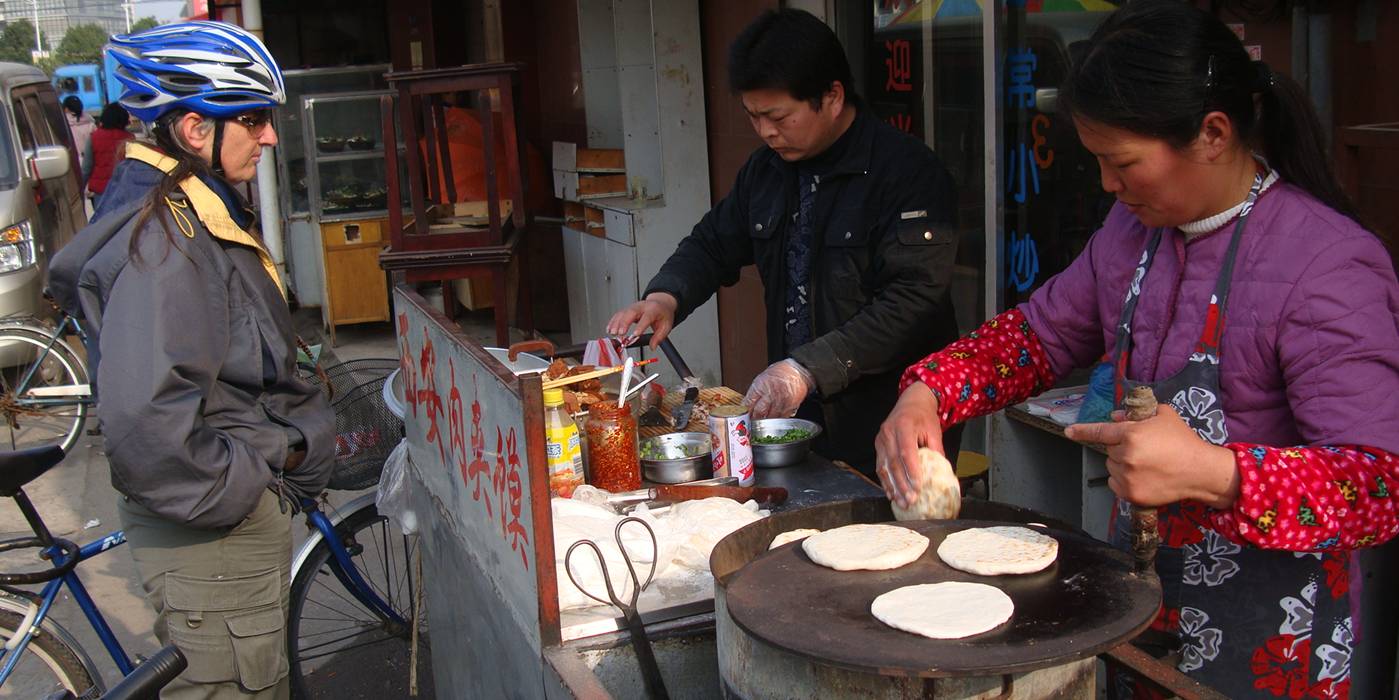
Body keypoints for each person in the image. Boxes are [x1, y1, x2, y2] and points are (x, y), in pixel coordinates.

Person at [876, 2, 1398, 697]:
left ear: (1212, 133)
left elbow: (1375, 486)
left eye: (1121, 163)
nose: (1106, 186)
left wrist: (1215, 473)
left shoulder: (1326, 266)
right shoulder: (1130, 234)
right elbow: (1038, 334)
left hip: (1272, 641)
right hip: (1140, 608)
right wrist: (930, 390)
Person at [48, 21, 334, 698]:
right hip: (216, 538)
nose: (268, 137)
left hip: (220, 534)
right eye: (254, 119)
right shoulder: (167, 239)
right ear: (195, 131)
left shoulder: (188, 211)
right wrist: (252, 483)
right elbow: (148, 421)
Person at [606, 9, 960, 470]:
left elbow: (913, 301)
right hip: (799, 415)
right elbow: (715, 241)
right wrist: (666, 296)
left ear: (831, 96)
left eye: (778, 116)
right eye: (753, 117)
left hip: (891, 413)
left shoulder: (907, 173)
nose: (766, 132)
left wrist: (807, 368)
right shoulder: (767, 170)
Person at [86, 102, 134, 210]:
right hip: (123, 189)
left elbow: (87, 167)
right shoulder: (130, 139)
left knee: (102, 223)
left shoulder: (94, 137)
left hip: (101, 191)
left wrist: (81, 187)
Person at [62, 95, 96, 185]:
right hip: (91, 164)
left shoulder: (62, 125)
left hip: (70, 165)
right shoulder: (90, 124)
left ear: (66, 109)